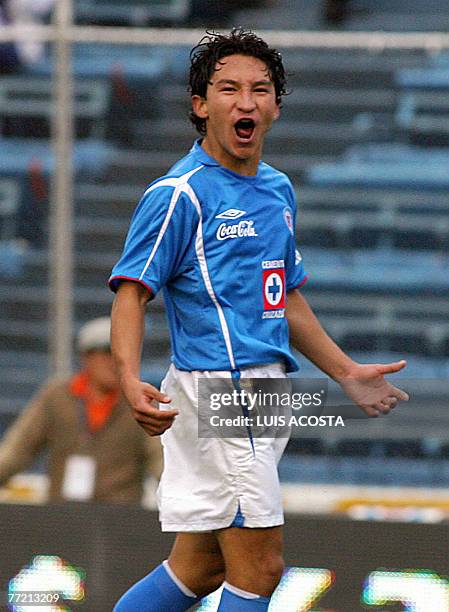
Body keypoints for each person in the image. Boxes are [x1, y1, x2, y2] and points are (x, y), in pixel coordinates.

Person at [109, 28, 409, 611]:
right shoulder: (180, 195)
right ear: (201, 106)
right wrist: (126, 377)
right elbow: (130, 292)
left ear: (274, 105)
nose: (245, 102)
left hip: (269, 392)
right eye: (228, 89)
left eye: (260, 89)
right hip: (223, 390)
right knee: (262, 568)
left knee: (198, 567)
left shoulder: (277, 191)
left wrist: (344, 371)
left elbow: (285, 295)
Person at [0, 317, 162, 503]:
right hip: (62, 515)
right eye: (106, 353)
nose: (114, 362)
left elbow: (159, 458)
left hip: (119, 518)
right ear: (86, 357)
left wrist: (181, 500)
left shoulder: (139, 403)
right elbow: (18, 449)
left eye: (122, 355)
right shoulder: (57, 396)